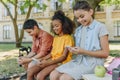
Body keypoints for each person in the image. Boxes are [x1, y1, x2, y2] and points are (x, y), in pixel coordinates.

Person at [50, 1, 109, 80]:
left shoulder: (100, 27)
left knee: (64, 78)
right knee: (53, 74)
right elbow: (79, 50)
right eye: (77, 18)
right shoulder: (78, 30)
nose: (80, 20)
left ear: (91, 12)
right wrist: (73, 49)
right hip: (78, 62)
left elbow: (105, 53)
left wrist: (83, 51)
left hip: (93, 64)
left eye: (82, 16)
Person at [26, 10, 75, 80]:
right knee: (31, 71)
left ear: (64, 25)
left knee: (40, 76)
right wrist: (42, 59)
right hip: (52, 61)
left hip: (61, 63)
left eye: (57, 26)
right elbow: (52, 53)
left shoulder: (68, 38)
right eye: (53, 26)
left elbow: (63, 57)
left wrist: (48, 63)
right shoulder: (56, 38)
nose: (54, 28)